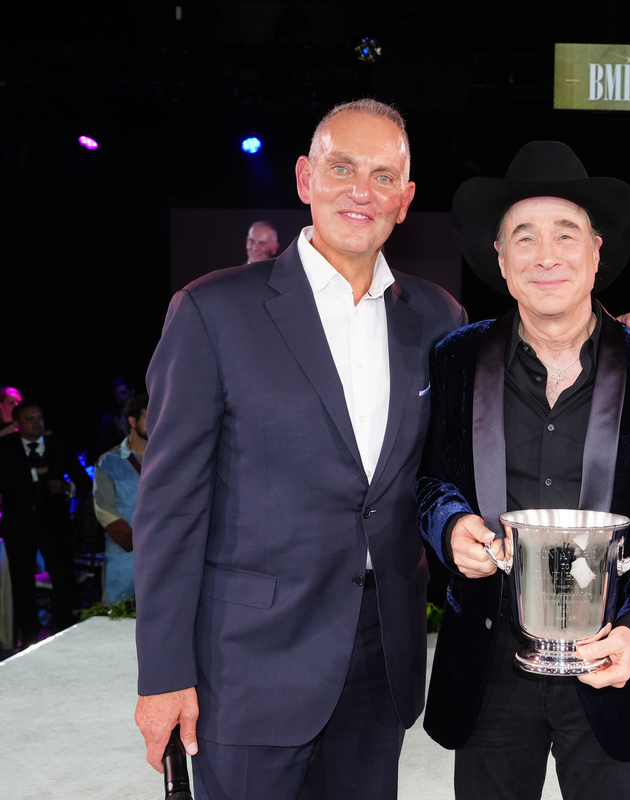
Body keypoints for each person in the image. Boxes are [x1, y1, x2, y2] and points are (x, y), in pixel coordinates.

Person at [132, 98, 467, 800]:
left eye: (382, 177)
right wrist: (164, 674)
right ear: (303, 178)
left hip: (383, 658)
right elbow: (168, 508)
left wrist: (609, 344)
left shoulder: (439, 318)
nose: (360, 190)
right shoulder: (211, 311)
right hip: (249, 664)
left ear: (404, 202)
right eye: (341, 167)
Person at [417, 140, 630, 800]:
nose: (545, 255)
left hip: (611, 665)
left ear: (597, 250)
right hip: (488, 666)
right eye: (524, 236)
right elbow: (429, 481)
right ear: (499, 256)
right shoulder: (455, 359)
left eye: (565, 234)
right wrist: (449, 524)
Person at [0, 402, 90, 646]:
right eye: (30, 418)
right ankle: (28, 636)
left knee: (63, 580)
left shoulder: (58, 447)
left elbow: (84, 482)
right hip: (18, 527)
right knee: (21, 583)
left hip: (54, 525)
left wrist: (67, 487)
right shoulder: (6, 449)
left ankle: (65, 631)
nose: (36, 422)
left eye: (39, 417)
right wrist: (35, 474)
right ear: (17, 424)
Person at [92, 394, 148, 604]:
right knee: (115, 618)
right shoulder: (109, 462)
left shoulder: (167, 460)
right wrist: (136, 540)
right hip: (124, 556)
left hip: (164, 554)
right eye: (149, 417)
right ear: (132, 421)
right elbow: (104, 509)